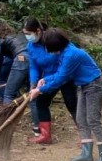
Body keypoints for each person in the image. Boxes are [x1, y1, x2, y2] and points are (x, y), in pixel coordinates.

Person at [29, 29, 102, 161]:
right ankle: (86, 154)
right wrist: (45, 79)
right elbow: (59, 73)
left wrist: (39, 90)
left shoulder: (71, 55)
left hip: (94, 86)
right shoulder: (64, 52)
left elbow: (61, 78)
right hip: (83, 86)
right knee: (80, 119)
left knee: (92, 120)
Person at [23, 17, 78, 145]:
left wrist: (41, 87)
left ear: (38, 30)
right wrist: (33, 83)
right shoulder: (31, 46)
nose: (27, 37)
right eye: (25, 34)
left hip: (66, 77)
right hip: (48, 78)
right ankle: (45, 136)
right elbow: (34, 65)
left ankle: (85, 136)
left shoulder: (53, 39)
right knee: (41, 102)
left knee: (72, 104)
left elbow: (69, 55)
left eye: (28, 34)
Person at [0, 21, 39, 134]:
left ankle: (4, 127)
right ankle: (37, 128)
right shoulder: (19, 35)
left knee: (8, 94)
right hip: (36, 61)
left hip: (22, 59)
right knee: (32, 94)